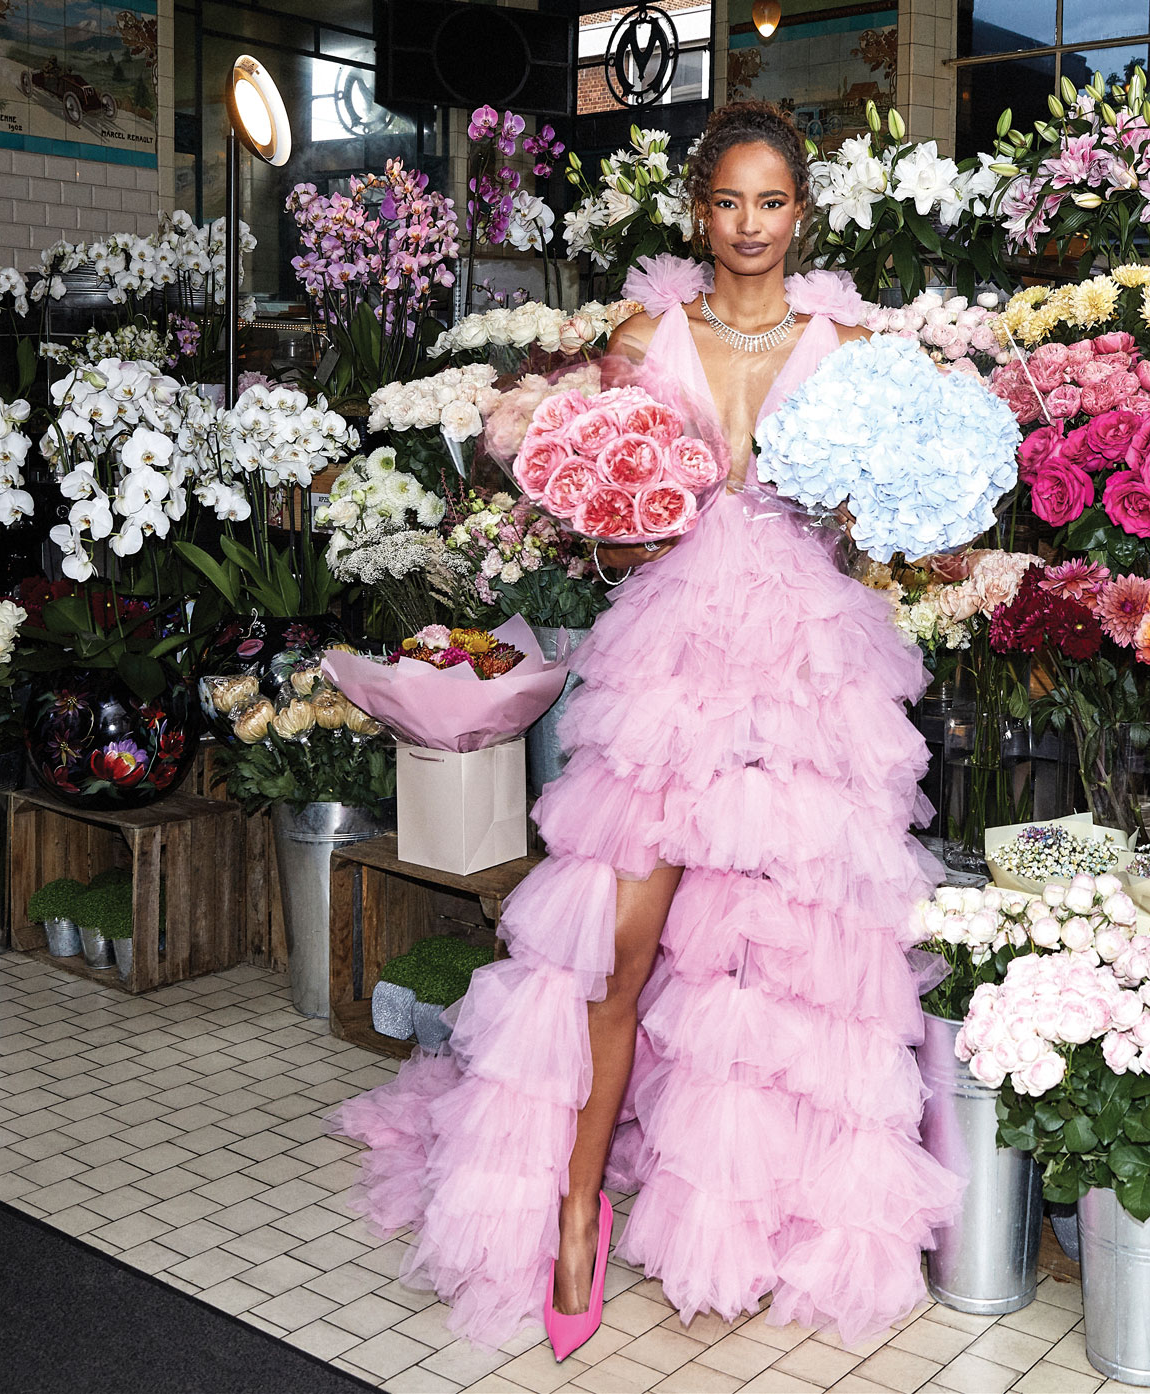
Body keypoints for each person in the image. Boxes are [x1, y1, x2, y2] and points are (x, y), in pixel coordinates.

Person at [334, 100, 959, 1361]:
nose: (747, 225)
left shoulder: (846, 344)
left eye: (770, 202)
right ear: (698, 211)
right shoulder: (640, 335)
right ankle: (574, 1210)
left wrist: (883, 486)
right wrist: (623, 507)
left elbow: (873, 519)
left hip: (803, 670)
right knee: (616, 953)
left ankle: (782, 1223)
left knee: (794, 963)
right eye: (725, 201)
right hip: (668, 666)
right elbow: (609, 514)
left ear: (800, 213)